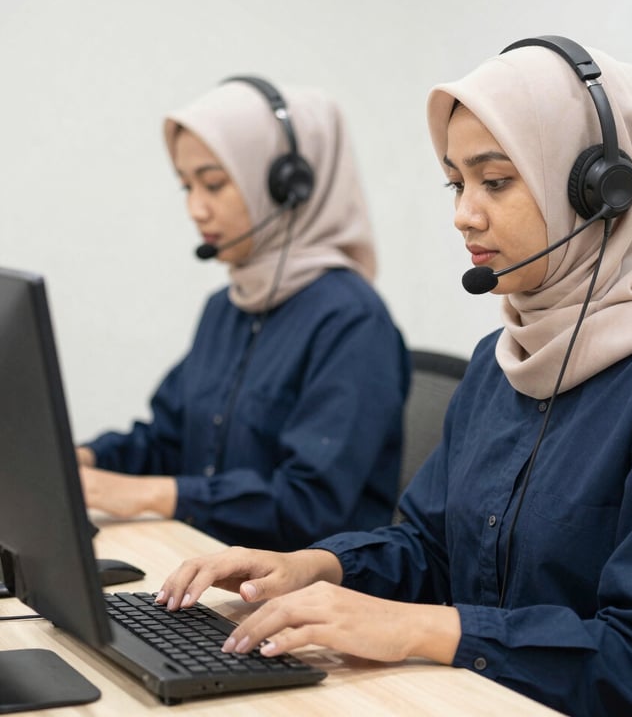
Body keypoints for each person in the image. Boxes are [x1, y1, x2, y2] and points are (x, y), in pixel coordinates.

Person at [156, 38, 632, 716]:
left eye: (495, 180)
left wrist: (420, 628)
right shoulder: (502, 359)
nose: (464, 214)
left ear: (603, 193)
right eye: (456, 182)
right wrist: (316, 565)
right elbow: (431, 548)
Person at [77, 77, 410, 550]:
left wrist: (151, 494)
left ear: (286, 187)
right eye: (186, 187)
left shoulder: (353, 321)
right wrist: (84, 460)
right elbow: (168, 440)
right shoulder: (226, 307)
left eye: (213, 184)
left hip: (304, 598)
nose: (196, 208)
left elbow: (308, 506)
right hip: (202, 560)